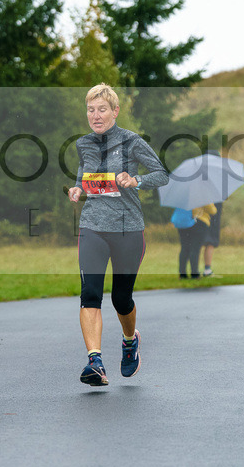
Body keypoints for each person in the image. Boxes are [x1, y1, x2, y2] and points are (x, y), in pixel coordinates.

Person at [67, 84, 169, 387]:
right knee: (90, 295)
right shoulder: (84, 143)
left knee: (122, 299)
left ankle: (129, 341)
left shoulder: (131, 141)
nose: (95, 115)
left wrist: (134, 179)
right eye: (90, 109)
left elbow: (162, 174)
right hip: (92, 227)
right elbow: (85, 175)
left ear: (115, 111)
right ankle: (95, 362)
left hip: (127, 228)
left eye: (102, 109)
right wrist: (77, 188)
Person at [202, 202, 223, 276]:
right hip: (212, 220)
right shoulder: (217, 195)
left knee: (196, 245)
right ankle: (207, 269)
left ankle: (194, 270)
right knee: (210, 242)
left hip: (201, 219)